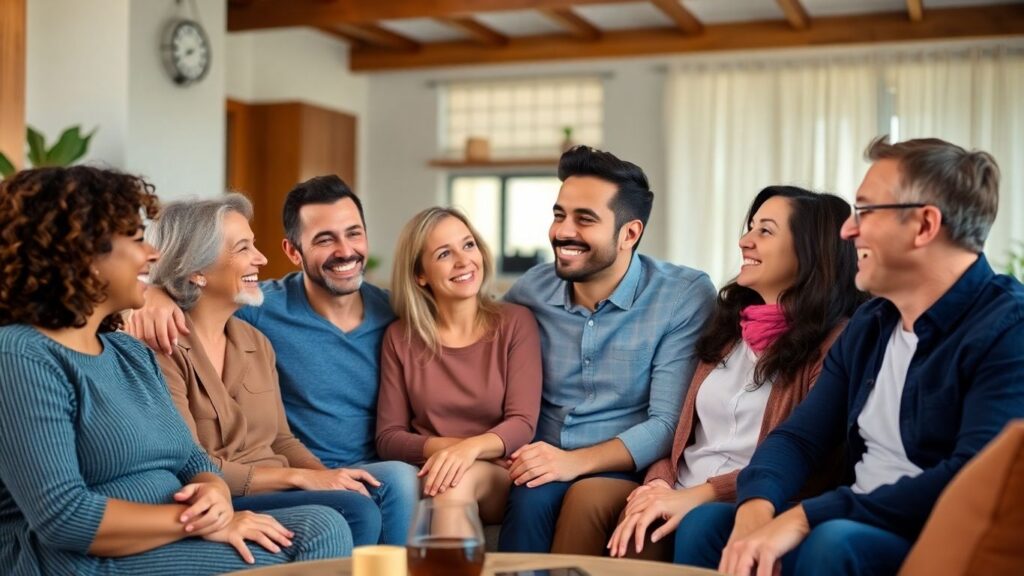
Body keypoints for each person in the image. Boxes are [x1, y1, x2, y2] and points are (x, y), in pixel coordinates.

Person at [677, 137, 1024, 576]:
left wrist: (806, 516)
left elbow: (970, 477)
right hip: (845, 520)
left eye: (866, 212)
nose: (847, 230)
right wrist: (757, 504)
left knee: (835, 541)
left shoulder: (1007, 329)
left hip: (923, 528)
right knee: (710, 526)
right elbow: (798, 439)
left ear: (924, 225)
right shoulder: (872, 323)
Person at [0, 167, 349, 575]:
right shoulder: (21, 355)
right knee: (318, 535)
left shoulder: (130, 353)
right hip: (77, 561)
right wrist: (201, 522)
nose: (152, 255)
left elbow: (192, 460)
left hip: (165, 534)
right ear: (82, 255)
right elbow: (64, 517)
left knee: (322, 524)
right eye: (135, 239)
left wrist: (215, 493)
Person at [552, 187, 861, 560]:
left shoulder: (835, 344)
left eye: (765, 231)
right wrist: (658, 485)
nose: (744, 241)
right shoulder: (728, 328)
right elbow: (682, 437)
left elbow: (811, 463)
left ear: (811, 250)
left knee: (645, 531)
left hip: (743, 498)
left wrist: (689, 497)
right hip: (681, 483)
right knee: (589, 497)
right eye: (750, 228)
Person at [128, 176, 418, 545]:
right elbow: (191, 464)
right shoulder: (166, 342)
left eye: (353, 233)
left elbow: (282, 439)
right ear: (197, 271)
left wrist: (328, 479)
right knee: (355, 510)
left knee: (387, 485)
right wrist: (151, 293)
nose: (261, 260)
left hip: (290, 477)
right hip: (225, 490)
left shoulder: (255, 339)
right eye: (244, 248)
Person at [496, 146, 717, 553]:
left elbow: (668, 424)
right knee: (529, 500)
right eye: (559, 214)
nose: (563, 232)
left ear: (629, 233)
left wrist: (570, 462)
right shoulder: (531, 290)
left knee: (582, 497)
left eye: (585, 219)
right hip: (538, 463)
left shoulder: (682, 294)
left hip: (622, 465)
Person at [376, 207, 542, 527]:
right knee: (447, 479)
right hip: (431, 469)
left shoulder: (516, 323)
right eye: (443, 254)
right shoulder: (399, 337)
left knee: (456, 481)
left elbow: (522, 423)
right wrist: (455, 450)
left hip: (495, 474)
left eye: (468, 245)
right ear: (419, 275)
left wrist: (470, 452)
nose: (464, 260)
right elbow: (389, 437)